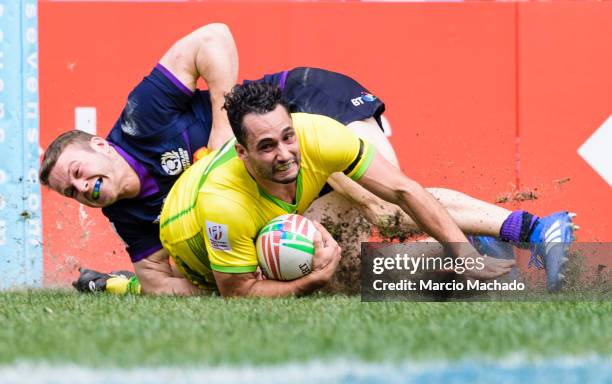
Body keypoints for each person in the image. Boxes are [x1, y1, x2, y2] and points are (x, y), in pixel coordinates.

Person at [40, 24, 575, 295]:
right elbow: (158, 277)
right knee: (336, 253)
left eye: (80, 171)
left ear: (102, 145)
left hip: (300, 104)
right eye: (72, 191)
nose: (83, 187)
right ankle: (476, 242)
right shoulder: (128, 212)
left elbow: (213, 37)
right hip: (264, 159)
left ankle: (534, 227)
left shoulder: (140, 119)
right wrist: (142, 282)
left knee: (382, 206)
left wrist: (227, 135)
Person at [159, 82, 521, 297]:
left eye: (288, 137)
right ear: (242, 152)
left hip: (272, 215)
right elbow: (238, 294)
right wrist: (312, 281)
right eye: (267, 146)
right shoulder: (224, 204)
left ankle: (479, 251)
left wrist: (458, 250)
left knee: (374, 226)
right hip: (189, 240)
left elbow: (403, 190)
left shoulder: (319, 135)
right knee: (327, 276)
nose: (285, 154)